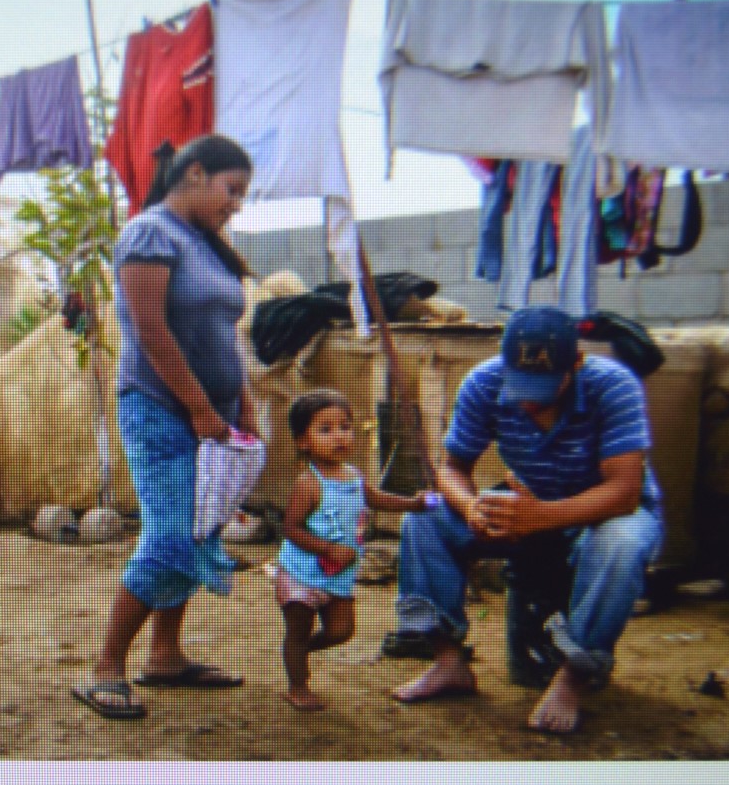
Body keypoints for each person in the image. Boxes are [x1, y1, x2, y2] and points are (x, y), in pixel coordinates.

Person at [387, 305, 663, 734]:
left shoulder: (614, 386)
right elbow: (452, 468)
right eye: (522, 385)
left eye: (545, 387)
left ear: (576, 363)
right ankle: (448, 662)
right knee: (426, 519)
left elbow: (624, 492)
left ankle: (573, 676)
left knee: (621, 543)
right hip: (527, 506)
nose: (531, 400)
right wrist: (471, 506)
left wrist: (543, 516)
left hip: (604, 514)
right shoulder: (484, 381)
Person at [71, 134, 258, 720]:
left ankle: (166, 657)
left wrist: (240, 403)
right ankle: (104, 669)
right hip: (160, 408)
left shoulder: (206, 243)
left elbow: (222, 335)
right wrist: (202, 409)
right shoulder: (150, 231)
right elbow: (151, 330)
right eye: (232, 190)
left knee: (199, 534)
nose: (236, 204)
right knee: (171, 536)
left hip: (212, 413)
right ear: (196, 173)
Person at [276, 388, 438, 712]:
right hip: (302, 575)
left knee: (341, 631)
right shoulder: (309, 483)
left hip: (338, 575)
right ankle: (297, 684)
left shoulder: (352, 475)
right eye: (325, 429)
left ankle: (299, 652)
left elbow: (375, 498)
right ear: (302, 441)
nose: (339, 436)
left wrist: (413, 504)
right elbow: (290, 528)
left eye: (345, 426)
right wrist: (326, 547)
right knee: (298, 629)